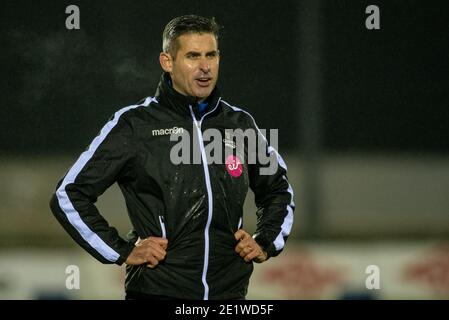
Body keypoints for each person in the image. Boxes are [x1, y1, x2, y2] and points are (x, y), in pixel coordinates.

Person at [50, 14, 294, 300]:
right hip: (158, 291)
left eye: (211, 55)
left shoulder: (239, 124)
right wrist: (122, 250)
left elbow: (278, 189)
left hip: (229, 295)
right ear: (168, 62)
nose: (205, 67)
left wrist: (265, 241)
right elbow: (69, 194)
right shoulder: (134, 125)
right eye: (192, 56)